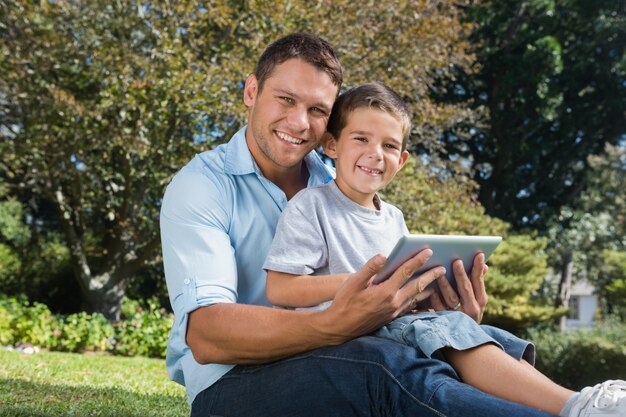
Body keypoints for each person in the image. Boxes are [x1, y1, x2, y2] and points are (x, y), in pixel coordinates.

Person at [161, 32, 568, 417]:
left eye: (318, 110)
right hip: (231, 384)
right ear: (252, 91)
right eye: (285, 99)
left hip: (337, 356)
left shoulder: (342, 182)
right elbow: (206, 335)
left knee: (438, 346)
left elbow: (380, 302)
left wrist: (431, 309)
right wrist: (333, 324)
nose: (300, 122)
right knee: (384, 365)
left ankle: (579, 407)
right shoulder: (202, 187)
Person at [263, 82, 626, 417]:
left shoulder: (393, 217)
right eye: (361, 139)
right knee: (448, 329)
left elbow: (406, 292)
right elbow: (281, 288)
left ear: (401, 160)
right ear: (332, 145)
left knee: (495, 339)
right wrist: (365, 284)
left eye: (389, 146)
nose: (375, 154)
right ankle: (577, 406)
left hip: (395, 324)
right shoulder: (312, 205)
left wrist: (431, 288)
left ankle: (560, 404)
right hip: (350, 338)